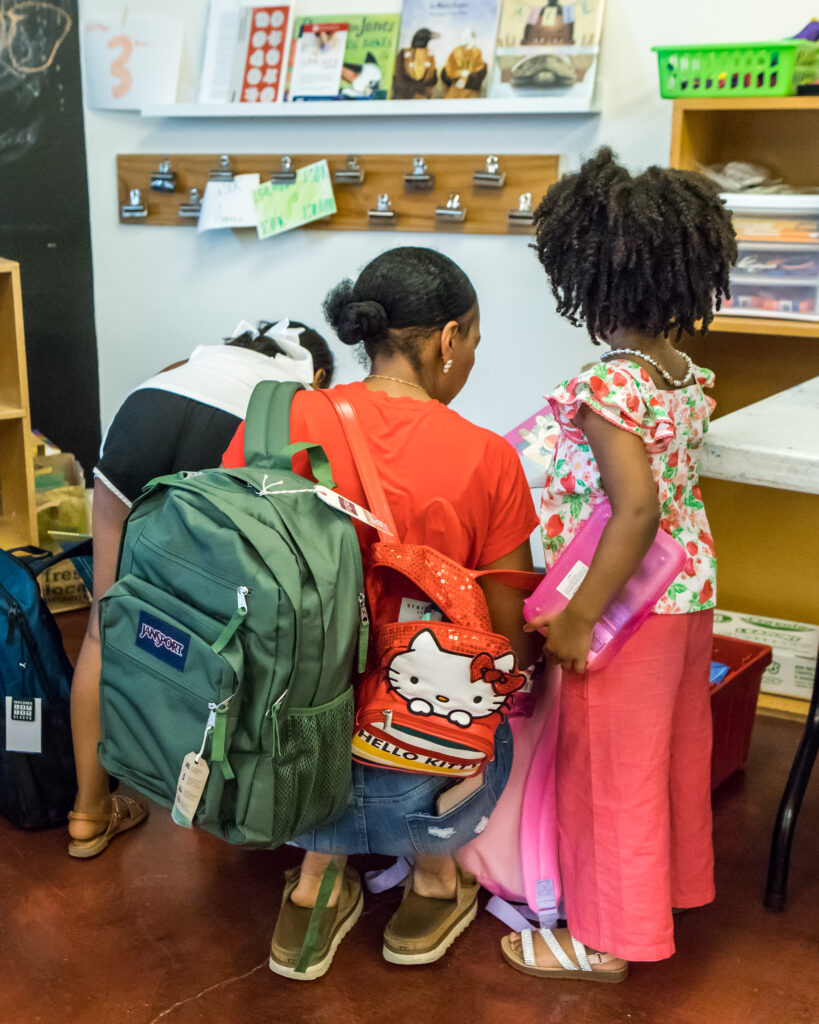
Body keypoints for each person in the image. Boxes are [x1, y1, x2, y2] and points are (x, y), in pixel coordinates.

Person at [221, 246, 541, 980]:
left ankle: (314, 885)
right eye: (472, 346)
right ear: (448, 339)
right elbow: (505, 638)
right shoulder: (486, 456)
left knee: (320, 681)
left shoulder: (282, 418)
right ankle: (432, 878)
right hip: (412, 762)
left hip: (282, 742)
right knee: (485, 701)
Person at [501, 148, 737, 981]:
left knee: (607, 776)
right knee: (665, 758)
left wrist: (574, 616)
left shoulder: (609, 388)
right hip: (687, 597)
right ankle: (662, 894)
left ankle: (604, 939)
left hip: (624, 608)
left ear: (591, 284)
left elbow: (633, 511)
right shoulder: (680, 376)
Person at [67, 319, 334, 858]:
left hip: (144, 412)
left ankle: (88, 813)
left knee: (104, 626)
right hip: (234, 433)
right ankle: (215, 805)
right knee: (221, 637)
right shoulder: (299, 398)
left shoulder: (193, 362)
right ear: (319, 372)